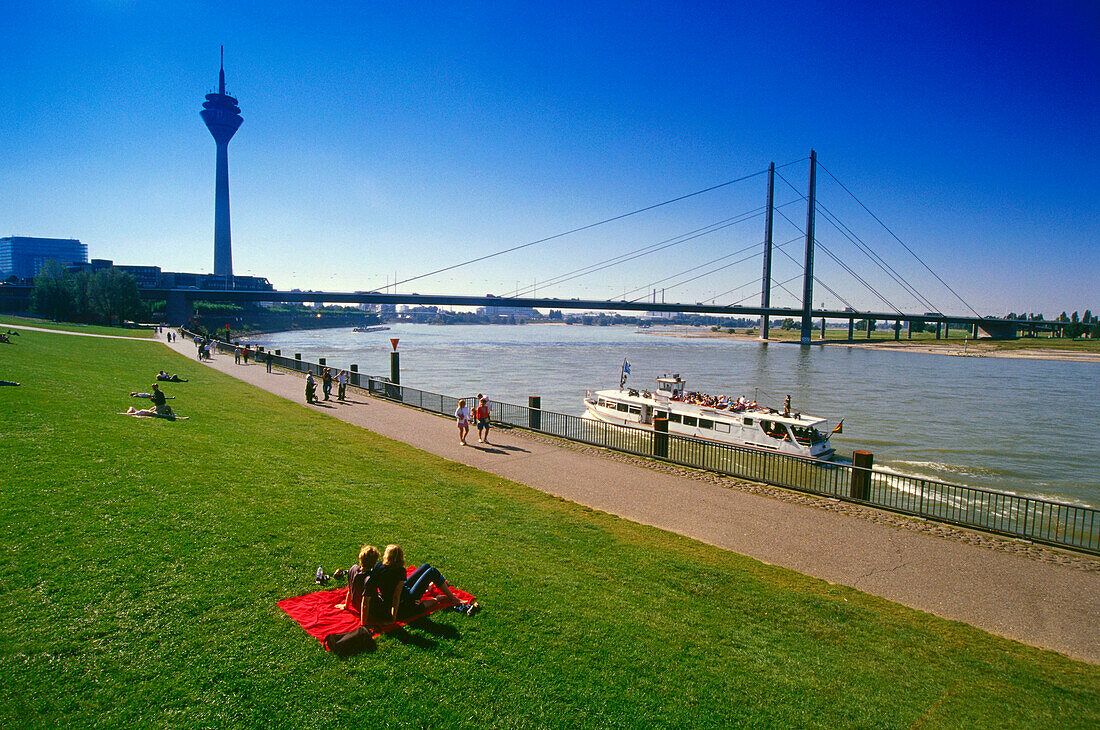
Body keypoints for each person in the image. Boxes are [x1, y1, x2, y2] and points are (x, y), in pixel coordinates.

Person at [363, 544, 475, 625]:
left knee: (426, 566)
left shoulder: (378, 566)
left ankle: (428, 586)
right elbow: (396, 596)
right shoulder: (399, 571)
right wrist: (393, 617)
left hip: (398, 591)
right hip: (407, 598)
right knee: (432, 571)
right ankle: (453, 598)